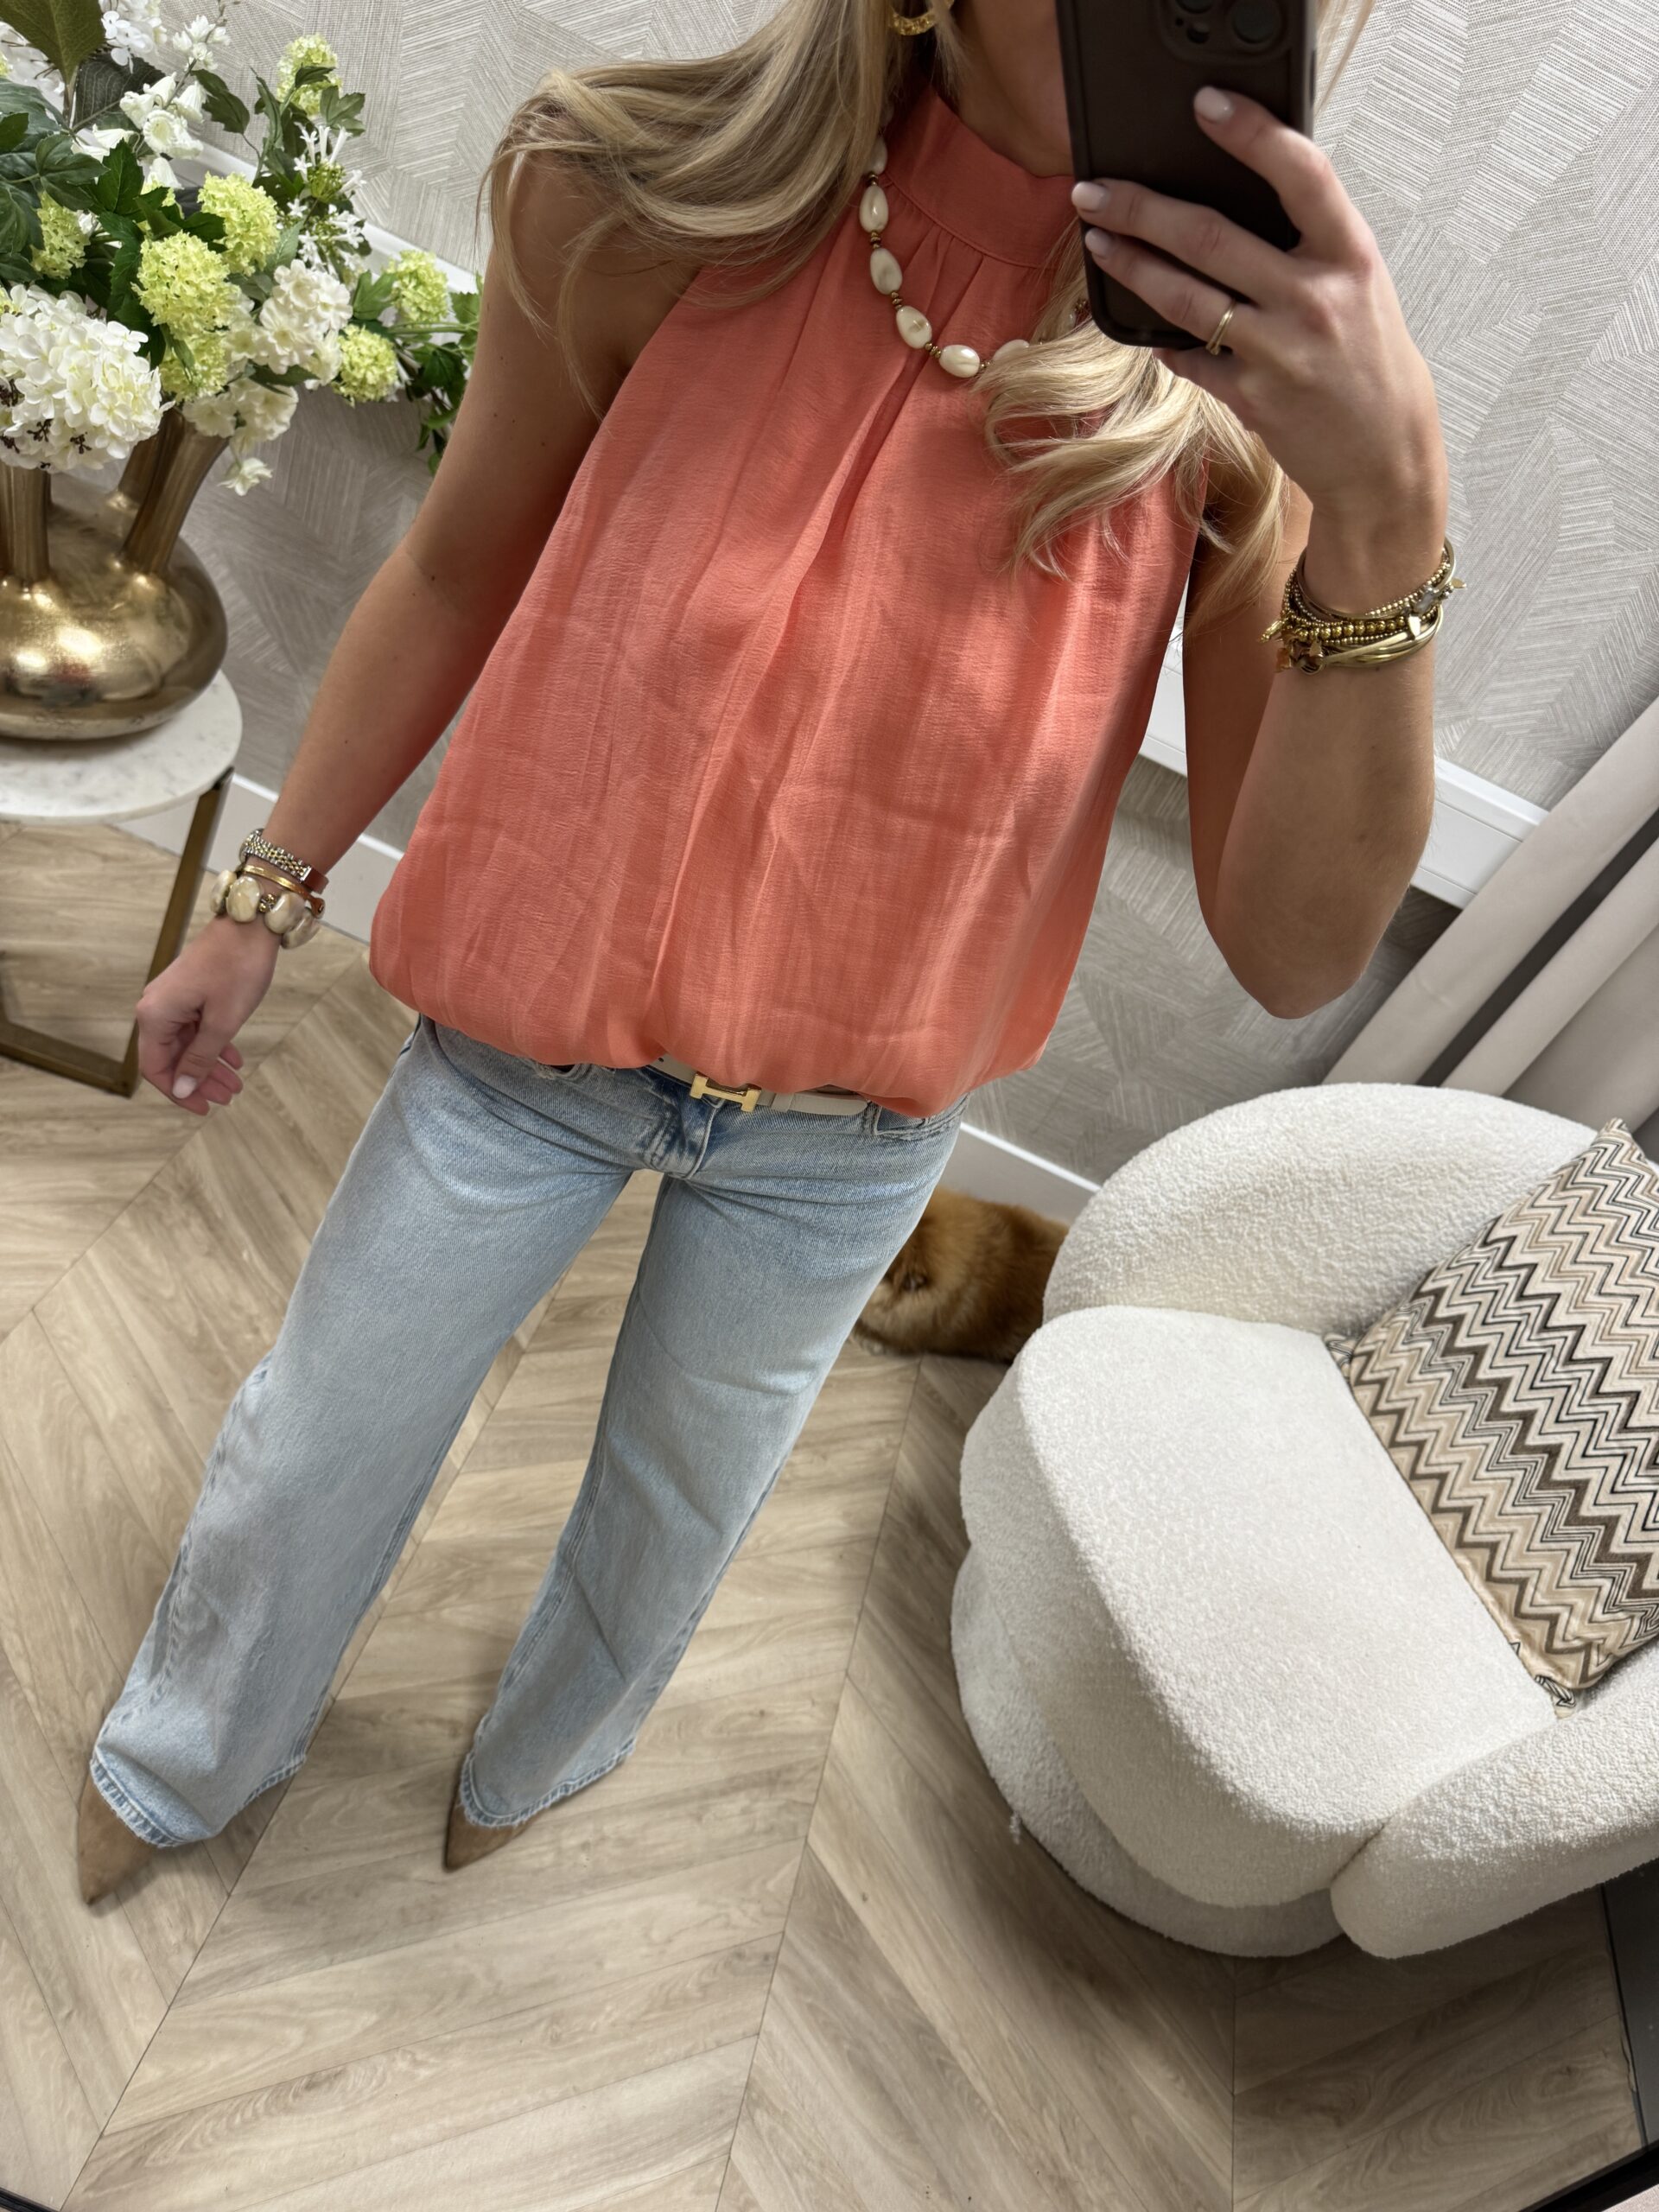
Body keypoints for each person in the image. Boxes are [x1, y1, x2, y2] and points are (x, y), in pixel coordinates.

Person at [77, 0, 1456, 1904]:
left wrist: (1389, 508)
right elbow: (460, 564)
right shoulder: (627, 201)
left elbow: (1297, 948)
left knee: (678, 1516)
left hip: (846, 1141)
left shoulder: (1230, 418)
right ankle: (186, 1752)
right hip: (525, 1055)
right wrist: (264, 898)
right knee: (320, 1441)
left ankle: (550, 1752)